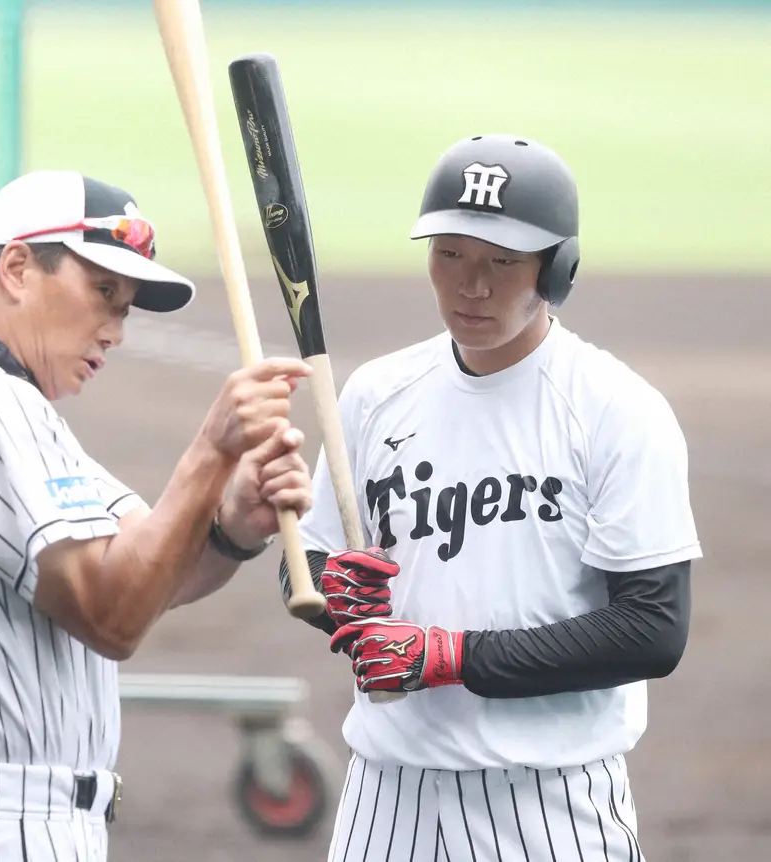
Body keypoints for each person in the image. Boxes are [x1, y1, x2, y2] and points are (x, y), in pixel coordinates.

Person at [0, 169, 313, 861]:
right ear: (17, 268)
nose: (115, 330)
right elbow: (112, 615)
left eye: (124, 307)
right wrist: (212, 451)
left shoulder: (8, 407)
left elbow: (149, 567)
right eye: (103, 293)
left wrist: (227, 526)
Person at [278, 134, 701, 861]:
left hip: (549, 799)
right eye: (450, 255)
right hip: (387, 792)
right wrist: (330, 594)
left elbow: (652, 630)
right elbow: (307, 562)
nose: (471, 286)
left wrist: (450, 656)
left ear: (557, 270)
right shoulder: (377, 394)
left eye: (503, 262)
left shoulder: (615, 410)